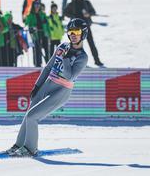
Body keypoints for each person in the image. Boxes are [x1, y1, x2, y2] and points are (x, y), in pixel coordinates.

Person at [5, 18, 88, 157]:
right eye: (71, 31)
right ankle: (18, 145)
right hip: (48, 84)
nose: (73, 34)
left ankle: (30, 149)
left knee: (33, 117)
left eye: (77, 31)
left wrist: (66, 58)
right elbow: (48, 67)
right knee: (28, 115)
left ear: (83, 33)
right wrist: (37, 85)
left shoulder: (82, 57)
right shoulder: (62, 47)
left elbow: (69, 76)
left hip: (61, 90)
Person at [64, 0, 104, 67]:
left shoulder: (86, 2)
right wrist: (72, 16)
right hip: (75, 29)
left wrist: (88, 14)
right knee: (76, 45)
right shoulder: (71, 4)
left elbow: (93, 11)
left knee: (91, 44)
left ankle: (97, 60)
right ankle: (77, 62)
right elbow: (65, 12)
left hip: (86, 27)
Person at [24, 0, 48, 67]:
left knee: (47, 50)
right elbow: (26, 24)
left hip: (43, 34)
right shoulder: (30, 15)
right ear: (33, 5)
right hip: (35, 35)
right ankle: (37, 64)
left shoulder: (42, 14)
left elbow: (46, 23)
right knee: (37, 51)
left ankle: (48, 64)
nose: (37, 6)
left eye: (38, 4)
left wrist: (47, 32)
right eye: (36, 4)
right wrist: (32, 28)